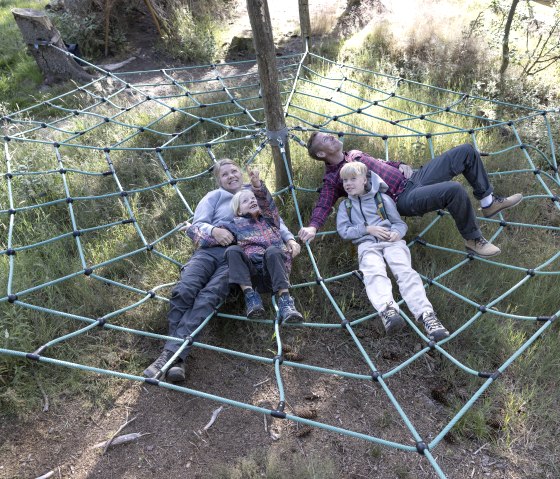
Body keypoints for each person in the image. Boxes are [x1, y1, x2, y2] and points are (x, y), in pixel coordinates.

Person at [143, 159, 301, 381]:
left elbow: (275, 222)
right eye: (224, 174)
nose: (231, 176)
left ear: (241, 174)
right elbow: (197, 225)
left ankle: (170, 356)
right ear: (219, 181)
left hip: (238, 255)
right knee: (184, 291)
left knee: (208, 296)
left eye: (234, 171)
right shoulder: (214, 197)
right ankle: (177, 357)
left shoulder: (253, 196)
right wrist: (215, 231)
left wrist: (290, 239)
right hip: (208, 251)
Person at [299, 132, 523, 258]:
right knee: (454, 190)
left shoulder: (354, 153)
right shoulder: (334, 177)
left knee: (465, 151)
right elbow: (324, 203)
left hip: (413, 178)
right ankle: (473, 239)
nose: (331, 136)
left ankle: (489, 202)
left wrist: (401, 164)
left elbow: (382, 164)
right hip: (401, 199)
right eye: (326, 140)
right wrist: (313, 226)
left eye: (329, 134)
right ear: (321, 153)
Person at [336, 162, 449, 341]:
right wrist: (367, 229)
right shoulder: (345, 206)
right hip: (367, 245)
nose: (348, 184)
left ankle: (427, 316)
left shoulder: (382, 199)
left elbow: (399, 223)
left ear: (365, 180)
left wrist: (397, 233)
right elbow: (344, 231)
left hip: (391, 242)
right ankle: (388, 311)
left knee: (405, 272)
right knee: (373, 272)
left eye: (353, 179)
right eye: (344, 181)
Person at [184, 167, 303, 323]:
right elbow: (209, 240)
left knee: (273, 251)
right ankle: (251, 298)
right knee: (233, 250)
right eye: (245, 201)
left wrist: (257, 185)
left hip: (274, 272)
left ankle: (286, 301)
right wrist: (191, 230)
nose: (252, 201)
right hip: (252, 276)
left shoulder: (270, 220)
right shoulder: (236, 225)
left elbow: (268, 205)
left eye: (253, 199)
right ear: (238, 211)